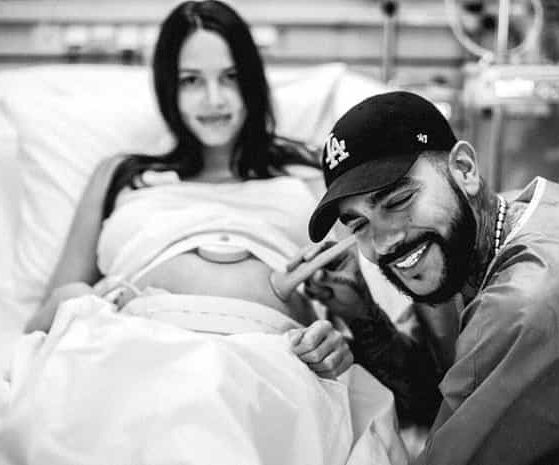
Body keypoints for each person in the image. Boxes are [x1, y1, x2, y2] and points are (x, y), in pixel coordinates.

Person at [289, 90, 559, 464]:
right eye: (359, 225)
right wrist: (361, 312)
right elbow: (433, 388)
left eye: (398, 202)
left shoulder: (527, 306)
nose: (384, 242)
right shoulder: (478, 241)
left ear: (465, 169)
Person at [23, 0, 353, 379]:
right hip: (132, 350)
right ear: (169, 88)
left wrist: (337, 343)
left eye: (230, 76)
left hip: (276, 361)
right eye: (191, 80)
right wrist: (82, 301)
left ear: (251, 80)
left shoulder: (310, 173)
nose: (214, 99)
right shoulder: (122, 176)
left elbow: (356, 308)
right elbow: (42, 322)